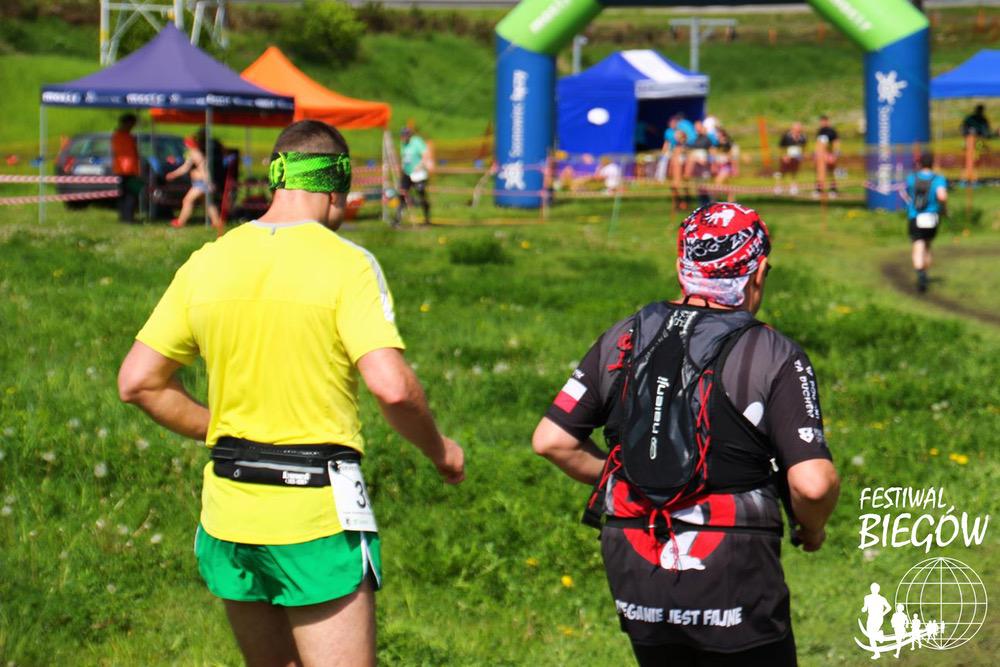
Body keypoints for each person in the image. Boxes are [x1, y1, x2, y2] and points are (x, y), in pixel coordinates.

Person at [118, 120, 465, 666]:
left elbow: (138, 381)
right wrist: (441, 451)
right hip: (316, 515)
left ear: (278, 178)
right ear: (337, 187)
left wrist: (219, 427)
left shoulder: (208, 260)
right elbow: (392, 388)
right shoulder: (348, 263)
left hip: (229, 511)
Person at [532, 202, 839, 667]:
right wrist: (810, 528)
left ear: (682, 268)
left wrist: (637, 474)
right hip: (733, 567)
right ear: (757, 273)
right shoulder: (772, 352)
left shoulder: (624, 335)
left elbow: (551, 440)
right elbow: (813, 484)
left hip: (636, 561)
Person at [901, 152, 948, 293]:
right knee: (927, 245)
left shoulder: (911, 178)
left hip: (915, 216)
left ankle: (920, 273)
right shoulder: (938, 179)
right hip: (932, 217)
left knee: (918, 244)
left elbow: (905, 193)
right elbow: (942, 196)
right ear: (933, 163)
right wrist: (943, 209)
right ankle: (925, 272)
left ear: (920, 163)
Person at [165, 131, 223, 235]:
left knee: (187, 200)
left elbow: (202, 169)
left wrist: (208, 183)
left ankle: (180, 222)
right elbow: (186, 168)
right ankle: (217, 222)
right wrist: (173, 174)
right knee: (208, 203)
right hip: (201, 183)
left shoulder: (195, 154)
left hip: (202, 183)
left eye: (186, 144)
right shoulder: (194, 153)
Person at [394, 126, 433, 226]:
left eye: (405, 135)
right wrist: (402, 167)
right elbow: (404, 157)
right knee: (402, 195)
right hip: (407, 173)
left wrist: (420, 165)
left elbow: (425, 155)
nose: (403, 138)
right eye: (402, 136)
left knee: (421, 194)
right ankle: (397, 219)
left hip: (418, 174)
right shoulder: (403, 144)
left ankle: (427, 218)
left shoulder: (417, 141)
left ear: (409, 135)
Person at [111, 113, 142, 223]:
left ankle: (124, 216)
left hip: (121, 169)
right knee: (130, 194)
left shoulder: (117, 136)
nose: (133, 126)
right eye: (132, 124)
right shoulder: (126, 137)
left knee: (123, 193)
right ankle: (128, 217)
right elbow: (133, 152)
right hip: (129, 169)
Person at [777, 122, 807, 195]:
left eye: (799, 130)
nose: (798, 131)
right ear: (792, 129)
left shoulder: (803, 137)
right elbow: (781, 147)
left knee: (794, 172)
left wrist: (803, 155)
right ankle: (779, 187)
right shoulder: (786, 136)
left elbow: (804, 147)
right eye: (796, 129)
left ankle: (793, 187)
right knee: (782, 172)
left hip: (797, 158)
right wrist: (784, 155)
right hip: (786, 157)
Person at [813, 116, 840, 198]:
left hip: (829, 155)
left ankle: (833, 189)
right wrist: (815, 153)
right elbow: (818, 143)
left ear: (827, 122)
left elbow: (836, 143)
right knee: (820, 172)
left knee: (831, 172)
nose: (822, 123)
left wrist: (835, 154)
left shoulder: (832, 131)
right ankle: (819, 189)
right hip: (820, 155)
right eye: (821, 121)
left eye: (824, 121)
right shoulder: (820, 131)